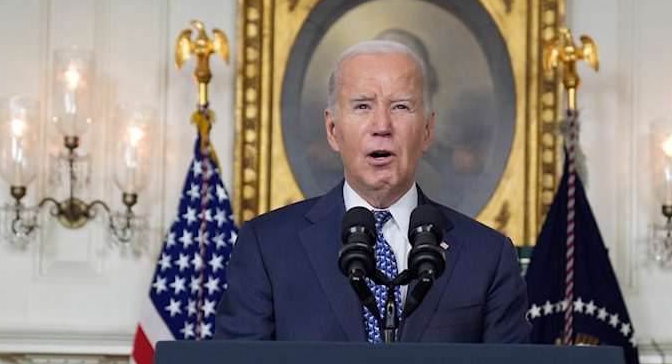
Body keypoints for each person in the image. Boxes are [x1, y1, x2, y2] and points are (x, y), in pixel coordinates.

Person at [215, 39, 529, 343]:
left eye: (401, 107)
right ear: (333, 130)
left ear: (427, 131)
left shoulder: (487, 256)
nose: (382, 125)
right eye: (363, 106)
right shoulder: (267, 246)